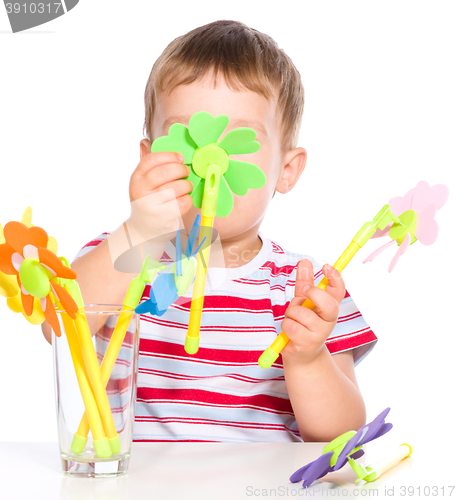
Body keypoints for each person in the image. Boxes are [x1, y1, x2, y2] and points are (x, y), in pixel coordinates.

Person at [42, 20, 377, 443]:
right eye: (187, 136)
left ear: (286, 170)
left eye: (240, 140)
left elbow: (342, 434)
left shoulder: (304, 289)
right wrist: (139, 233)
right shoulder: (122, 256)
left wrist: (307, 359)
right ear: (149, 158)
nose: (209, 158)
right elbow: (56, 325)